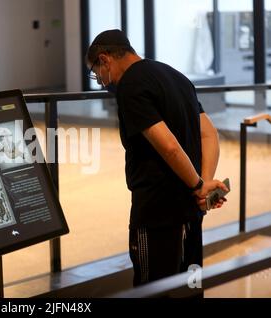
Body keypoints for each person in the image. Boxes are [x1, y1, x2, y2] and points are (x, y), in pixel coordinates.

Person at [86, 29, 228, 287]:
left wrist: (198, 186)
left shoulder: (130, 85)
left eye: (97, 73)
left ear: (105, 59)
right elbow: (209, 133)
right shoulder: (176, 76)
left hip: (158, 214)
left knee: (152, 290)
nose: (102, 82)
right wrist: (202, 187)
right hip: (192, 212)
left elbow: (169, 147)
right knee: (191, 286)